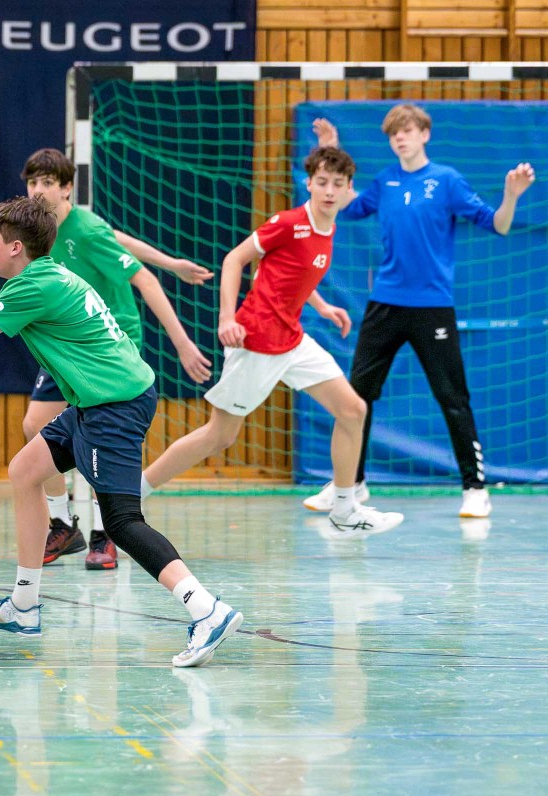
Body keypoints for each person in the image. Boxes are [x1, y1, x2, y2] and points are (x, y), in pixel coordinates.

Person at [0, 195, 243, 668]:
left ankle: (207, 610)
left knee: (122, 522)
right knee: (25, 471)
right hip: (99, 400)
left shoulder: (33, 287)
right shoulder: (47, 274)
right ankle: (23, 606)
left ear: (16, 247)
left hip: (114, 406)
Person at [139, 147, 404, 537]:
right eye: (322, 183)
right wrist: (227, 317)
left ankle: (345, 509)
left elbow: (290, 272)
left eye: (338, 184)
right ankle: (132, 493)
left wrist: (322, 305)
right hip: (257, 340)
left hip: (292, 339)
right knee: (219, 436)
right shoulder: (289, 222)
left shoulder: (329, 225)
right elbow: (235, 259)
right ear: (309, 184)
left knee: (352, 410)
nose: (329, 191)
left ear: (349, 188)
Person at [309, 107, 536, 518]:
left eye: (407, 131)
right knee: (356, 397)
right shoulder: (386, 182)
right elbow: (345, 203)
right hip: (384, 305)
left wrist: (512, 196)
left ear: (425, 134)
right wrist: (332, 151)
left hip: (432, 308)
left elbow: (498, 225)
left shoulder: (446, 180)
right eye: (394, 133)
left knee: (453, 398)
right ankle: (351, 484)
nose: (400, 138)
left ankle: (475, 489)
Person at [20, 148, 214, 571]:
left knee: (99, 433)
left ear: (67, 189)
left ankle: (104, 533)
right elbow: (119, 238)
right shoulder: (42, 229)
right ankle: (63, 523)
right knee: (35, 424)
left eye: (47, 183)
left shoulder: (85, 229)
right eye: (32, 182)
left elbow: (143, 279)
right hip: (72, 338)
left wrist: (182, 343)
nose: (38, 190)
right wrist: (170, 261)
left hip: (111, 340)